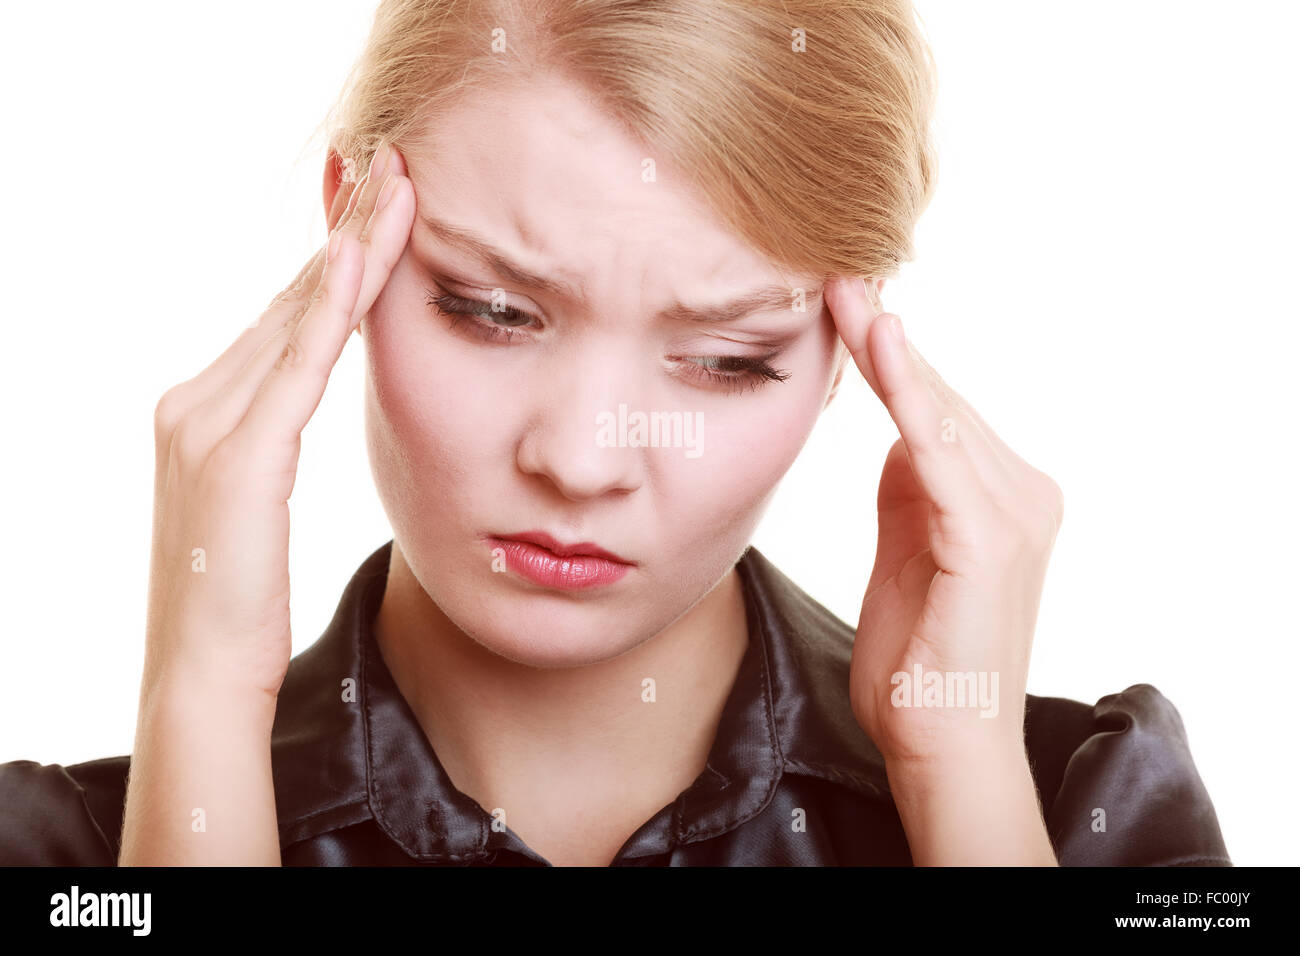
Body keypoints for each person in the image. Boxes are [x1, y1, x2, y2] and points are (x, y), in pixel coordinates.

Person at [0, 0, 1229, 867]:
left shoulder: (1081, 814)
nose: (582, 457)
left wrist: (957, 772)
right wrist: (201, 701)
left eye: (725, 357)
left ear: (850, 350)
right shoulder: (74, 861)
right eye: (490, 310)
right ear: (351, 238)